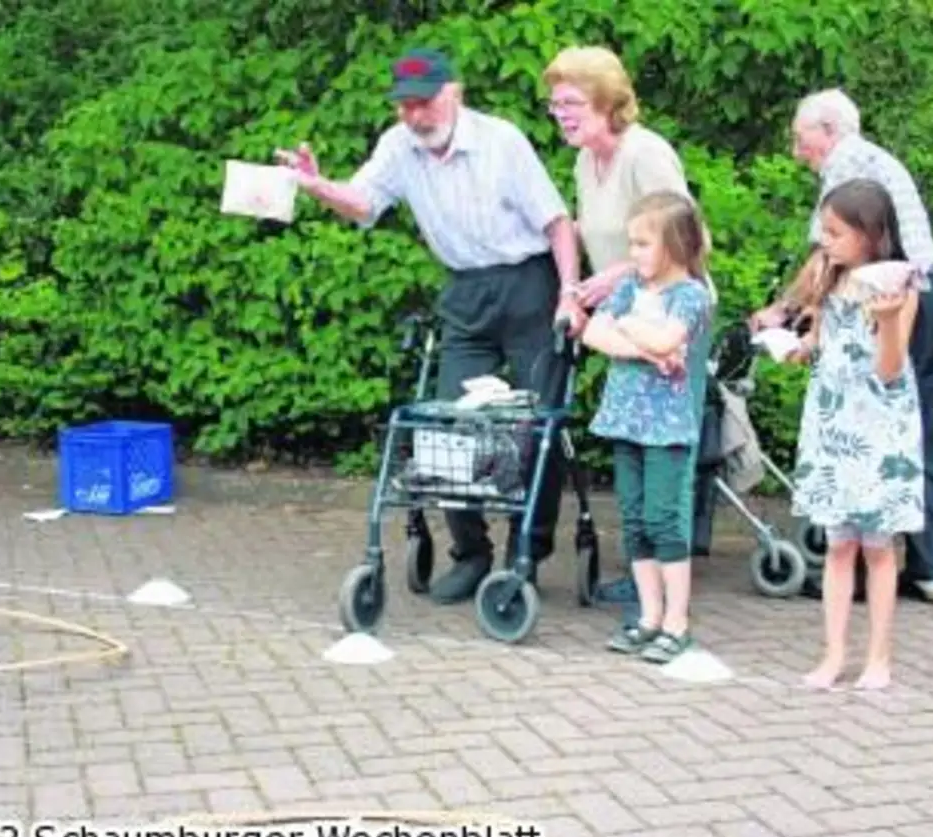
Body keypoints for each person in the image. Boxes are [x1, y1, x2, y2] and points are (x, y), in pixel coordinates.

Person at [276, 48, 587, 602]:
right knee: (445, 429)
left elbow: (558, 223)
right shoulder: (399, 146)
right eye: (405, 106)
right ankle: (471, 554)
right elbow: (365, 202)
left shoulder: (502, 141)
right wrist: (319, 186)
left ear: (453, 94)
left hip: (530, 285)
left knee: (533, 427)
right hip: (465, 291)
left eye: (424, 104)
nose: (415, 116)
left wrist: (569, 295)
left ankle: (525, 555)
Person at [752, 87, 933, 605]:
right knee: (916, 431)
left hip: (887, 301)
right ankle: (931, 568)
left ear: (829, 130)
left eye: (802, 140)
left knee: (868, 429)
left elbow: (829, 254)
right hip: (930, 295)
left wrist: (782, 312)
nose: (798, 153)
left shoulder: (849, 165)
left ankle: (863, 570)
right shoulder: (876, 159)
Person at [539, 46, 722, 608]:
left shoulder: (645, 153)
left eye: (571, 102)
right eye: (554, 105)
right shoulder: (581, 161)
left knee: (667, 441)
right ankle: (647, 580)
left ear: (605, 100)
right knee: (632, 440)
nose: (561, 113)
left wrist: (609, 281)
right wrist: (582, 294)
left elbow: (689, 238)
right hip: (627, 313)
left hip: (673, 313)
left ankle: (674, 584)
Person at [783, 178, 925, 691]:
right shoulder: (827, 275)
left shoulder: (898, 286)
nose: (826, 241)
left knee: (879, 547)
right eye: (824, 231)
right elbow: (818, 342)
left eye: (836, 232)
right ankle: (833, 654)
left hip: (880, 426)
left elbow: (889, 369)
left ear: (872, 234)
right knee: (839, 545)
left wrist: (886, 321)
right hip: (833, 419)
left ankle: (879, 658)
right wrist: (796, 347)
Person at [577, 192, 716, 664]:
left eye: (641, 243)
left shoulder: (691, 295)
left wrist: (631, 329)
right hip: (625, 421)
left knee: (663, 519)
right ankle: (648, 616)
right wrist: (647, 349)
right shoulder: (632, 285)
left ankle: (677, 620)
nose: (632, 254)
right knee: (634, 520)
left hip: (667, 428)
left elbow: (666, 337)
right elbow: (594, 332)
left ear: (675, 244)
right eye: (630, 243)